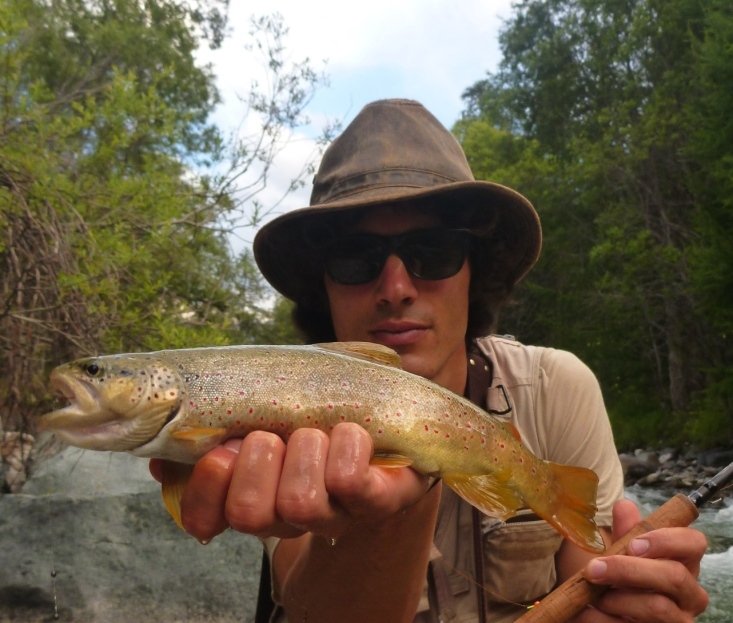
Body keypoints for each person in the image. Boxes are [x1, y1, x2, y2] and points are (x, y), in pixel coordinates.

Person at [149, 99, 709, 622]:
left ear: (474, 273)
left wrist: (629, 602)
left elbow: (587, 575)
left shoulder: (556, 388)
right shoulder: (282, 405)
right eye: (355, 259)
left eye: (434, 252)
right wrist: (387, 515)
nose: (395, 287)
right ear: (324, 288)